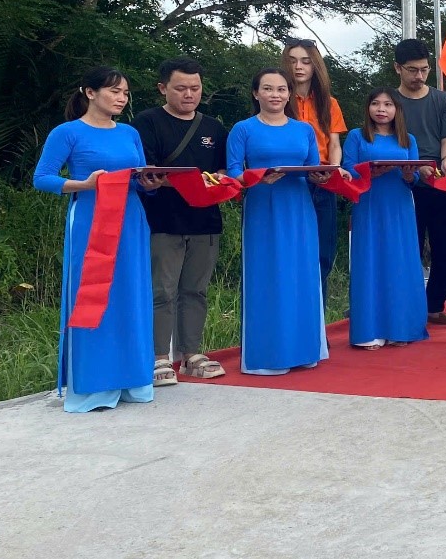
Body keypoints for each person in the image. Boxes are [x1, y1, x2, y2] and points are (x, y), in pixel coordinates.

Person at [33, 67, 161, 413]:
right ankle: (92, 386)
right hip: (90, 219)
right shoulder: (67, 133)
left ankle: (133, 380)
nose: (122, 98)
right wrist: (84, 185)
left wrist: (148, 183)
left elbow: (137, 176)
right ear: (89, 92)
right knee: (92, 295)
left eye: (125, 93)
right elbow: (42, 178)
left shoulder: (130, 133)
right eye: (115, 92)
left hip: (130, 219)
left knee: (131, 294)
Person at [226, 67, 331, 375]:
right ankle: (268, 354)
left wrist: (323, 174)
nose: (276, 95)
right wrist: (257, 178)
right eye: (268, 89)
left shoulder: (304, 130)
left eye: (282, 89)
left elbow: (314, 170)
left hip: (299, 207)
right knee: (268, 275)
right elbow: (233, 173)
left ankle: (303, 350)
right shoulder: (243, 129)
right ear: (256, 93)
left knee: (301, 275)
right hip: (263, 207)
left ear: (289, 94)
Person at [130, 56, 229, 384]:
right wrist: (185, 180)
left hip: (205, 221)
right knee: (162, 290)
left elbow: (224, 172)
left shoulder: (213, 127)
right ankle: (159, 357)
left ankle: (191, 354)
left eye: (195, 88)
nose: (189, 94)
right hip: (163, 221)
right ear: (163, 88)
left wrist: (211, 181)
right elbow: (148, 169)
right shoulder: (147, 122)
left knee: (195, 290)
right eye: (181, 88)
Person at [341, 89, 429, 349]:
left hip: (399, 206)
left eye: (388, 104)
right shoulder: (357, 137)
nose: (381, 109)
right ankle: (369, 331)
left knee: (399, 261)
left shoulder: (407, 139)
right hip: (369, 204)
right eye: (376, 103)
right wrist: (372, 174)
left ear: (397, 110)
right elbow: (347, 172)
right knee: (369, 261)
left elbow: (414, 177)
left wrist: (408, 175)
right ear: (368, 108)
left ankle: (401, 327)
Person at [393, 38, 446, 326]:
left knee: (445, 247)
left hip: (440, 179)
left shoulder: (442, 100)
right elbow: (384, 140)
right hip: (404, 181)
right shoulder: (389, 102)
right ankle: (404, 307)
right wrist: (414, 164)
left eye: (424, 70)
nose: (418, 76)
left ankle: (435, 306)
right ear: (398, 68)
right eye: (412, 70)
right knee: (408, 247)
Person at [282, 38, 347, 301]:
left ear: (315, 66)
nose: (299, 67)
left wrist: (334, 170)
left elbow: (334, 143)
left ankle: (318, 329)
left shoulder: (328, 103)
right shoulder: (279, 98)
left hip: (322, 181)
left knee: (323, 253)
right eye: (293, 60)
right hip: (289, 181)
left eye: (306, 61)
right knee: (291, 252)